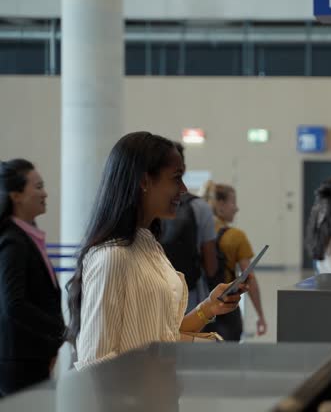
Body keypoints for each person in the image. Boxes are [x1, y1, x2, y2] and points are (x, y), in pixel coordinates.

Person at [66, 132, 246, 369]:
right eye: (176, 178)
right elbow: (95, 364)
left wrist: (208, 308)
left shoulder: (148, 243)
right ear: (144, 181)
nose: (183, 189)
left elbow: (163, 335)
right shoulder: (112, 257)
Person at [0, 159, 64, 396]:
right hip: (19, 363)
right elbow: (14, 304)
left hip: (32, 359)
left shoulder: (26, 236)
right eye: (37, 187)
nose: (45, 193)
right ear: (16, 195)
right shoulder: (13, 241)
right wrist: (61, 331)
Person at [200, 181, 267, 341]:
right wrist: (260, 315)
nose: (236, 208)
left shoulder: (198, 231)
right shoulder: (236, 236)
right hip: (227, 310)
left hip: (198, 310)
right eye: (233, 202)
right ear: (221, 204)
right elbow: (249, 278)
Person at [159, 142, 218, 312]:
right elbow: (210, 263)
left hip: (156, 293)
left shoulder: (143, 208)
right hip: (189, 291)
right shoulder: (199, 207)